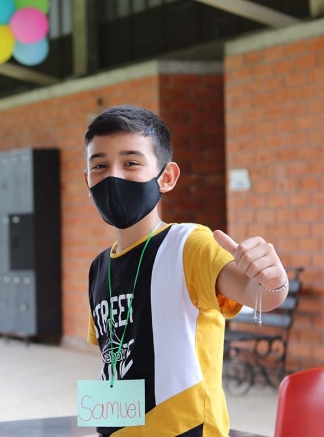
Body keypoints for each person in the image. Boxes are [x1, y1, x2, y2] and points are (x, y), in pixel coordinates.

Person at [83, 105, 288, 436]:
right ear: (87, 179)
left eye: (131, 163)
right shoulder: (99, 266)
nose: (114, 176)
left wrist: (273, 280)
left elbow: (257, 295)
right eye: (100, 166)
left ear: (166, 177)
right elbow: (112, 361)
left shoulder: (188, 243)